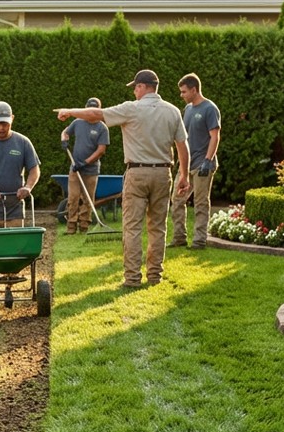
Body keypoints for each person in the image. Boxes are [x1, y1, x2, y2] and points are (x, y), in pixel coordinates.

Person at [55, 70, 190, 287]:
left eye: (135, 87)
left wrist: (69, 111)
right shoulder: (173, 111)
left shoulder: (131, 108)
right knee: (158, 227)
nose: (134, 91)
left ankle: (133, 278)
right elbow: (182, 146)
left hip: (137, 173)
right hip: (163, 174)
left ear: (142, 86)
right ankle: (155, 276)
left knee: (132, 227)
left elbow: (95, 114)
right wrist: (183, 174)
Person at [169, 73, 221, 249]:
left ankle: (199, 240)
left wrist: (208, 160)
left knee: (200, 202)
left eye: (184, 91)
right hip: (187, 165)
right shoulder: (188, 109)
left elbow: (215, 137)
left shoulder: (210, 109)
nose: (181, 95)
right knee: (177, 200)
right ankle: (179, 238)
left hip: (202, 164)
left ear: (194, 90)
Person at [59, 97, 110, 234]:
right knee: (73, 197)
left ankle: (84, 226)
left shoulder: (102, 128)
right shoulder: (77, 122)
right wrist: (64, 139)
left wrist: (85, 163)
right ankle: (71, 226)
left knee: (88, 199)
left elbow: (101, 150)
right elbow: (65, 132)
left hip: (91, 170)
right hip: (75, 168)